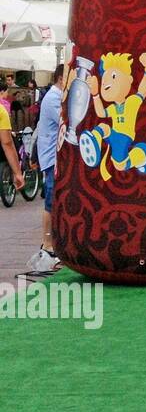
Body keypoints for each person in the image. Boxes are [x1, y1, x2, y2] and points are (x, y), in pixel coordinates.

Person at [24, 65, 65, 278]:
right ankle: (48, 244)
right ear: (60, 78)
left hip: (51, 157)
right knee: (50, 201)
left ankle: (51, 244)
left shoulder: (55, 96)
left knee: (53, 200)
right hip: (50, 158)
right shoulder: (53, 98)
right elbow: (66, 121)